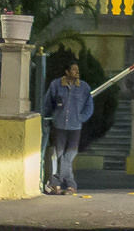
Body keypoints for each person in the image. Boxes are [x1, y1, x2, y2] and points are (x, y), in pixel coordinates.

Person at [40, 59, 94, 195]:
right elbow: (47, 103)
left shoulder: (84, 87)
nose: (77, 72)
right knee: (58, 154)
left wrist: (81, 118)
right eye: (74, 70)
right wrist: (47, 117)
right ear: (67, 72)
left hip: (75, 127)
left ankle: (55, 183)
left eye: (77, 70)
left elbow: (89, 106)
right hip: (59, 126)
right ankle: (70, 186)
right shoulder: (56, 85)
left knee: (68, 155)